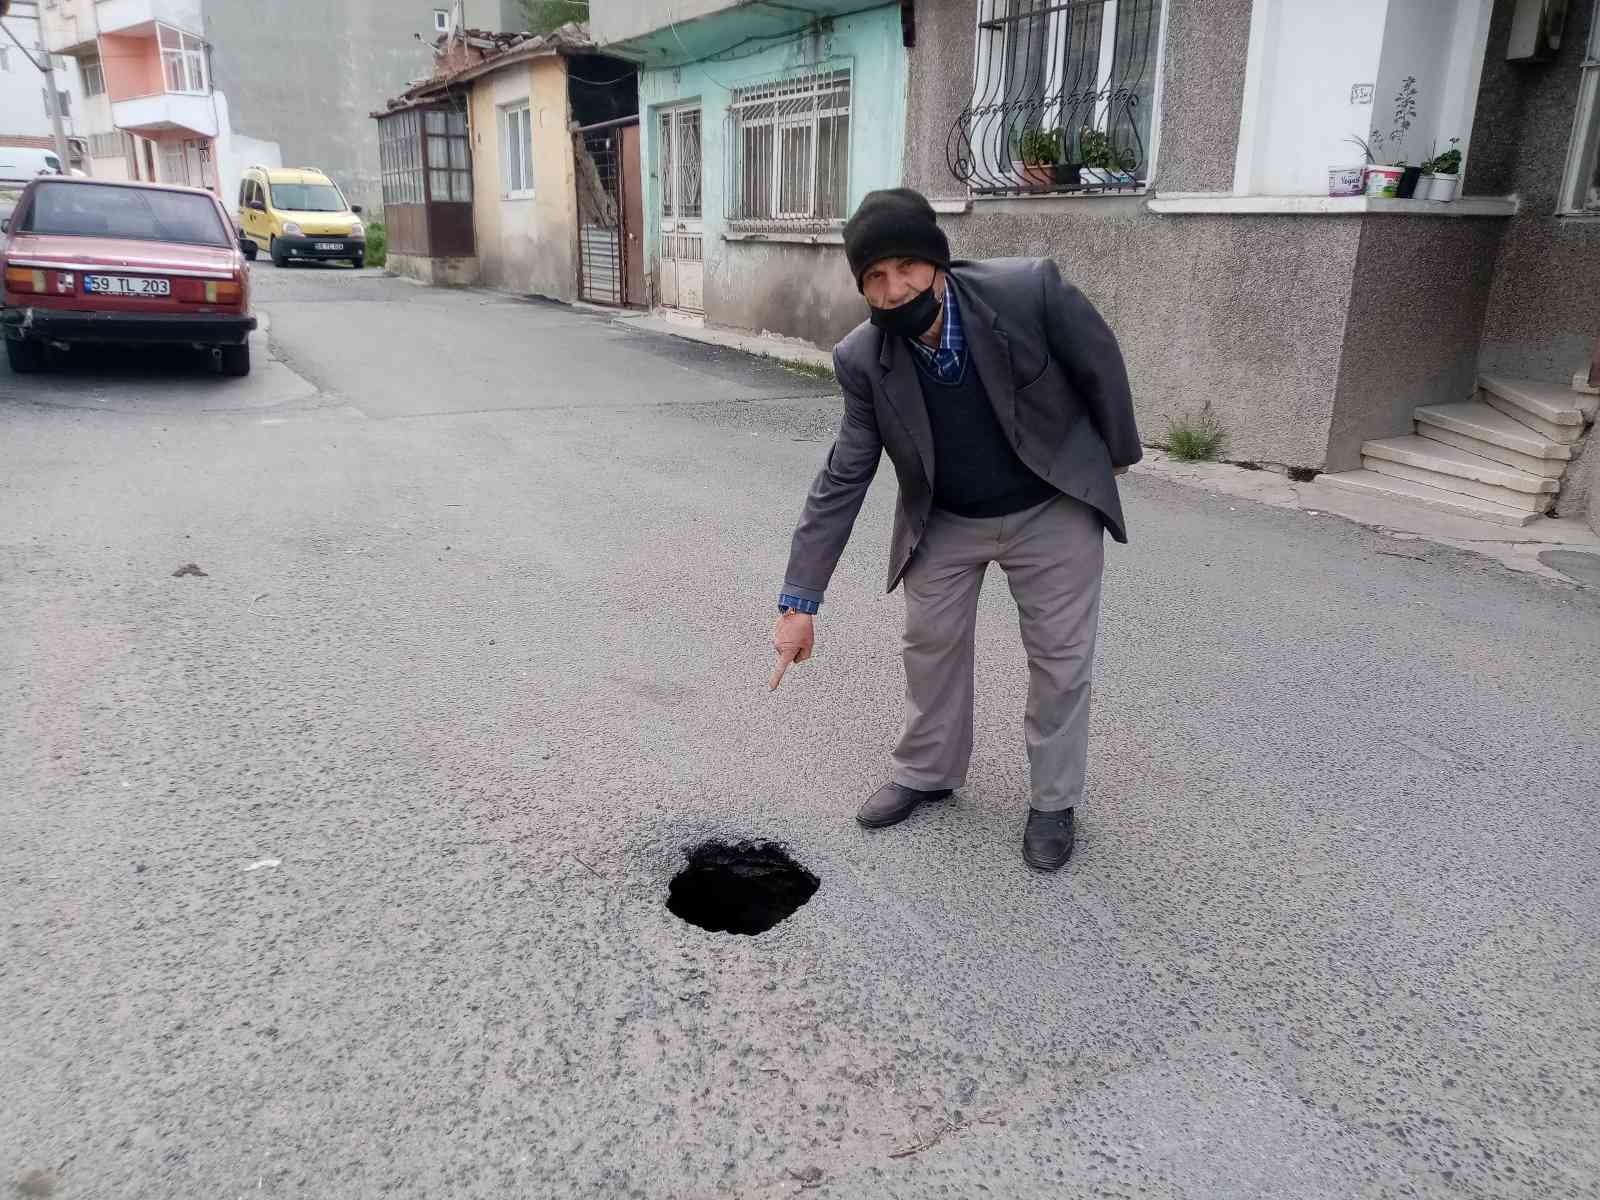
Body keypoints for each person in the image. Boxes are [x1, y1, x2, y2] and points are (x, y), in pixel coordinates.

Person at [768, 188, 1141, 871]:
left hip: (1048, 504)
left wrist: (1113, 457)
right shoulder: (863, 360)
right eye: (874, 278)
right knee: (929, 645)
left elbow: (1099, 363)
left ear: (937, 263)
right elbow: (842, 478)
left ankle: (1054, 801)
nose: (893, 287)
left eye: (906, 267)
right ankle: (928, 771)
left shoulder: (1028, 292)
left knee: (1060, 660)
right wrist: (799, 602)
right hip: (948, 517)